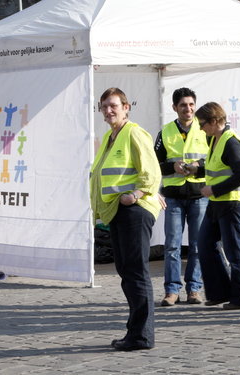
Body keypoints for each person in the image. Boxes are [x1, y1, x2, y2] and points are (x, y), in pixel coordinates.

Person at [90, 87, 164, 351]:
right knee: (127, 272)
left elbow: (151, 172)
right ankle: (135, 331)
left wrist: (135, 195)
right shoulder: (111, 137)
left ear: (125, 107)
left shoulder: (134, 132)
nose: (108, 111)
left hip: (133, 211)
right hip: (117, 213)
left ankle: (142, 336)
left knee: (135, 272)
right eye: (104, 106)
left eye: (113, 106)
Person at [195, 102, 240, 310]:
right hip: (218, 203)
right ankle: (219, 292)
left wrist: (214, 189)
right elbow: (217, 168)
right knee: (204, 244)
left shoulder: (230, 142)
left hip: (232, 202)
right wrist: (196, 171)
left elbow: (239, 175)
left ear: (214, 121)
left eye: (202, 124)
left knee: (234, 250)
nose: (201, 128)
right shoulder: (215, 139)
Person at [154, 88, 209, 306]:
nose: (188, 109)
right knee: (172, 246)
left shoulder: (204, 128)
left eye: (191, 104)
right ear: (174, 108)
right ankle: (172, 290)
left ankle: (194, 289)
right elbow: (154, 164)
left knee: (197, 245)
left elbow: (215, 161)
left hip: (199, 195)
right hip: (174, 196)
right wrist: (172, 166)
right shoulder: (165, 131)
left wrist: (199, 167)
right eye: (183, 105)